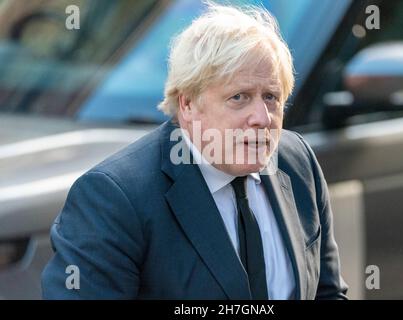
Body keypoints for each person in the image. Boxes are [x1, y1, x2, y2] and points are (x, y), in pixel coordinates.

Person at [41, 2, 348, 300]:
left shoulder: (296, 162)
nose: (262, 118)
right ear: (188, 104)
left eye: (270, 97)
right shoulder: (114, 198)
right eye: (239, 97)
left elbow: (327, 292)